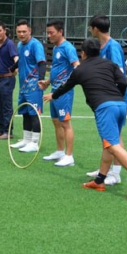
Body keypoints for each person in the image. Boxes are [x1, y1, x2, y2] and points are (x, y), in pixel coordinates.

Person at [44, 38, 127, 199]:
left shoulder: (80, 70)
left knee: (112, 145)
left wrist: (53, 95)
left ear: (83, 53)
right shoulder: (110, 64)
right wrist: (115, 95)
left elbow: (66, 86)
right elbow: (123, 82)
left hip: (105, 108)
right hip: (120, 105)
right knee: (108, 143)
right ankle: (100, 180)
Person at [87, 15, 127, 183]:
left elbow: (120, 75)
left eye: (90, 27)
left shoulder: (113, 47)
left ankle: (115, 174)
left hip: (115, 98)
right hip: (106, 98)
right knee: (108, 135)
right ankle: (105, 169)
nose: (89, 30)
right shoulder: (101, 47)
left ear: (95, 28)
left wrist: (114, 95)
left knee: (115, 137)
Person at [39, 20, 79, 167]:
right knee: (56, 122)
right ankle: (60, 151)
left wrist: (66, 85)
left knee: (65, 123)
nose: (49, 35)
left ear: (60, 32)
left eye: (51, 33)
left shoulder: (68, 48)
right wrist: (48, 82)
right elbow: (57, 69)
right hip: (54, 90)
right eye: (48, 33)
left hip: (64, 92)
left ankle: (69, 156)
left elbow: (77, 67)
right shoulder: (57, 48)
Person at [12, 20, 46, 154]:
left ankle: (35, 142)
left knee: (34, 113)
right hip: (23, 85)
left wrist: (41, 80)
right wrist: (12, 68)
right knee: (25, 112)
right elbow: (21, 60)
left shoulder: (36, 45)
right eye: (19, 32)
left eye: (24, 31)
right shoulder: (20, 45)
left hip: (34, 85)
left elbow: (42, 63)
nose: (21, 34)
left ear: (30, 31)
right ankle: (26, 139)